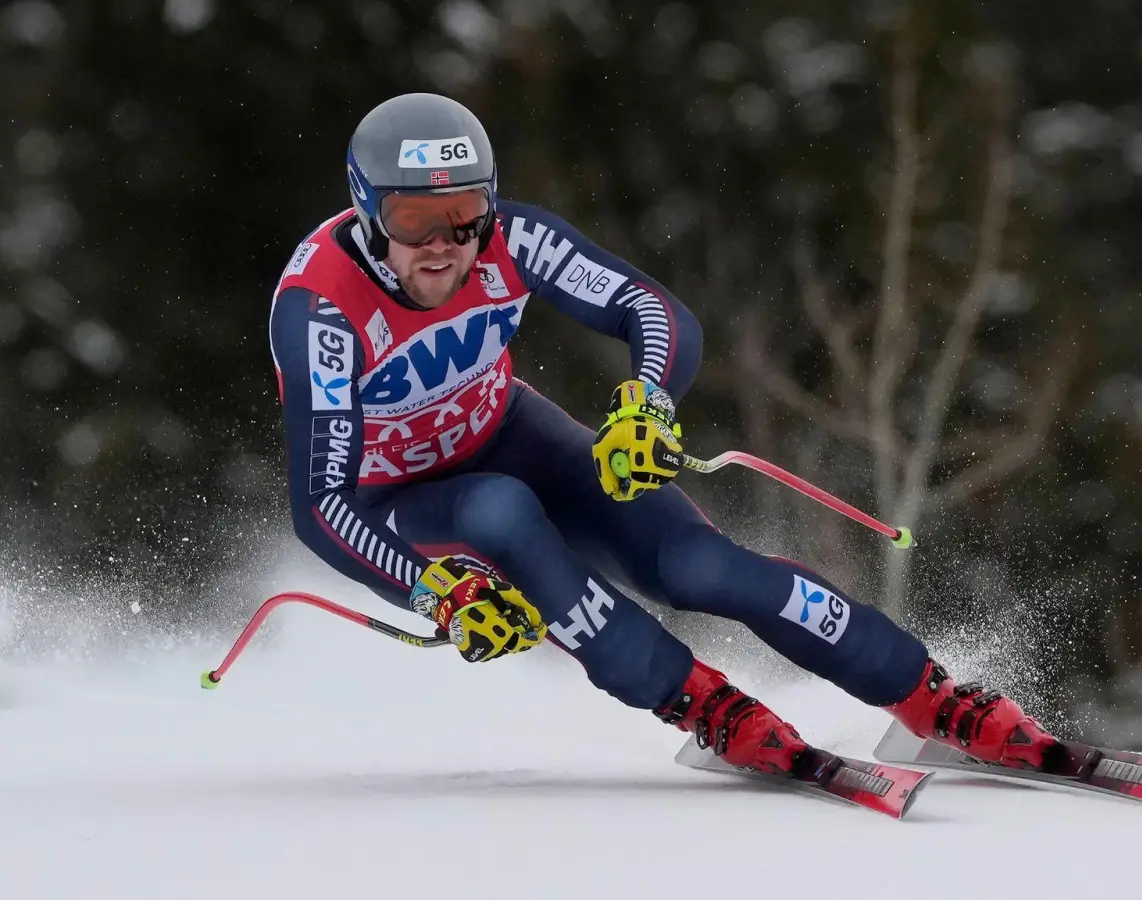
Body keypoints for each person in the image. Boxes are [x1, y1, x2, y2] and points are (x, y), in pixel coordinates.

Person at [267, 92, 1068, 778]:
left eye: (463, 213)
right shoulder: (323, 312)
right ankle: (702, 704)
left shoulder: (511, 239)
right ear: (368, 208)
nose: (442, 243)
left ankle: (929, 694)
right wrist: (430, 586)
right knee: (498, 513)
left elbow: (652, 312)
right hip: (400, 497)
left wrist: (646, 403)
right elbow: (323, 504)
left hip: (507, 429)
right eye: (413, 219)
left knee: (699, 566)